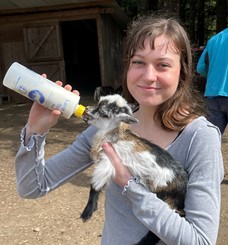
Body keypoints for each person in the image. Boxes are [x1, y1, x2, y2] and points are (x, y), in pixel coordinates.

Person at [15, 15, 224, 245]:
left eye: (163, 65)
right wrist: (35, 130)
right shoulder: (107, 128)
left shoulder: (199, 137)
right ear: (127, 67)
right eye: (138, 62)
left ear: (182, 73)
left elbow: (201, 241)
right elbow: (32, 187)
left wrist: (131, 186)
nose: (149, 76)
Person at [196, 28, 228, 134]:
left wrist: (212, 78)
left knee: (212, 140)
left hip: (212, 96)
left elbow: (200, 68)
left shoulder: (214, 39)